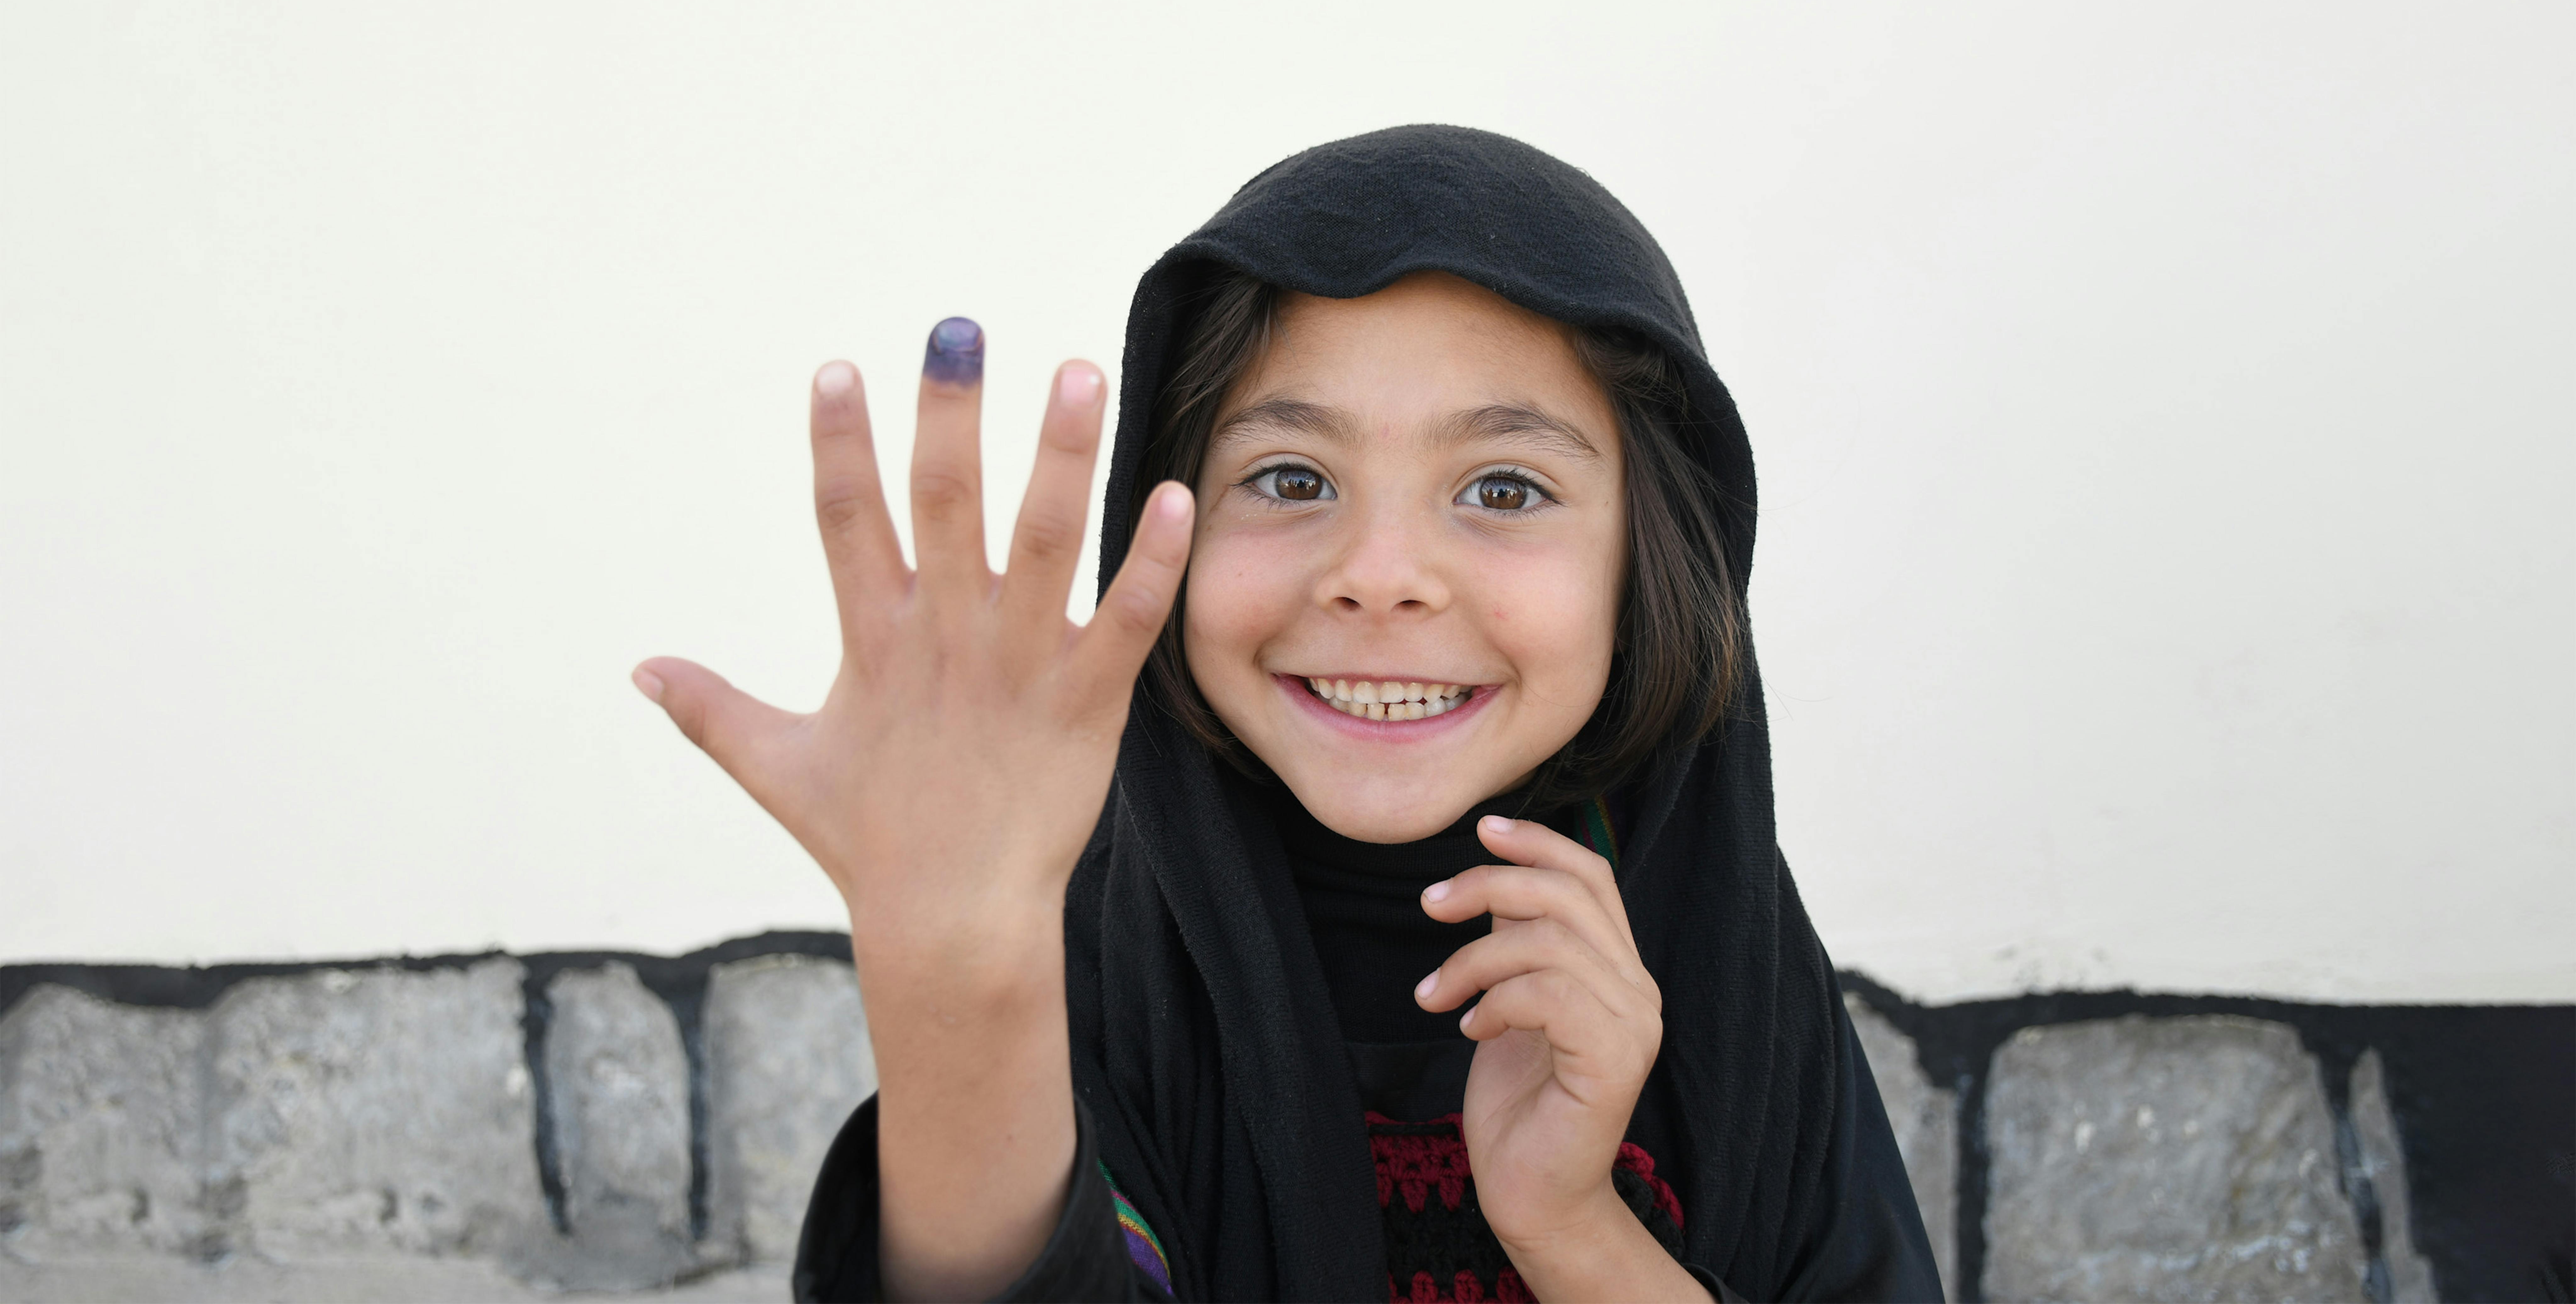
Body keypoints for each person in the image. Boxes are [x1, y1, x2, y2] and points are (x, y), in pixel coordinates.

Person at [634, 126, 1942, 1302]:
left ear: (1649, 556)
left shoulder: (1711, 924)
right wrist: (957, 978)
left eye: (1500, 490)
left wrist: (1569, 1226)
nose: (1378, 575)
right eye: (1291, 475)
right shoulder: (1101, 931)